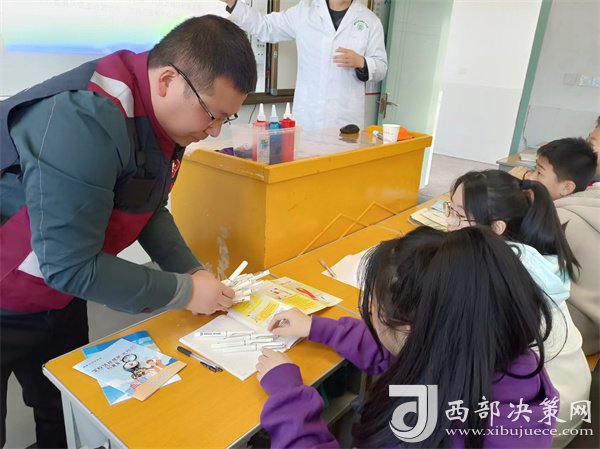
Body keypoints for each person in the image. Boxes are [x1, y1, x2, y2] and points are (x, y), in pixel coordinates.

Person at [0, 16, 256, 448]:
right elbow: (69, 265)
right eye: (212, 115)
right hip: (12, 288)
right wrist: (185, 292)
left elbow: (147, 204)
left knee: (64, 411)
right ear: (168, 81)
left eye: (225, 119)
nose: (213, 131)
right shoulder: (85, 118)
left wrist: (192, 271)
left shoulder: (163, 120)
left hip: (57, 296)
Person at [257, 226, 557, 448]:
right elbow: (398, 349)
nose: (370, 314)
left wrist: (289, 397)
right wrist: (316, 328)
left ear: (413, 330)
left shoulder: (422, 431)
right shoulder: (496, 357)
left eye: (373, 307)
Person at [447, 170, 591, 447]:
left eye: (460, 215)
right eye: (450, 209)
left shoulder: (496, 276)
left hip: (539, 423)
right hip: (568, 398)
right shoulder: (523, 254)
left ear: (497, 227)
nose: (449, 223)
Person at [221, 0, 388, 130]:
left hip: (345, 120)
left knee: (343, 164)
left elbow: (381, 67)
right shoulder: (304, 11)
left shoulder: (370, 21)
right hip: (308, 117)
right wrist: (233, 3)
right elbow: (266, 27)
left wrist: (362, 62)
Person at [510, 138, 597, 200]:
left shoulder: (557, 217)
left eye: (540, 173)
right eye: (535, 169)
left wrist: (510, 190)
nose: (530, 177)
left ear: (566, 188)